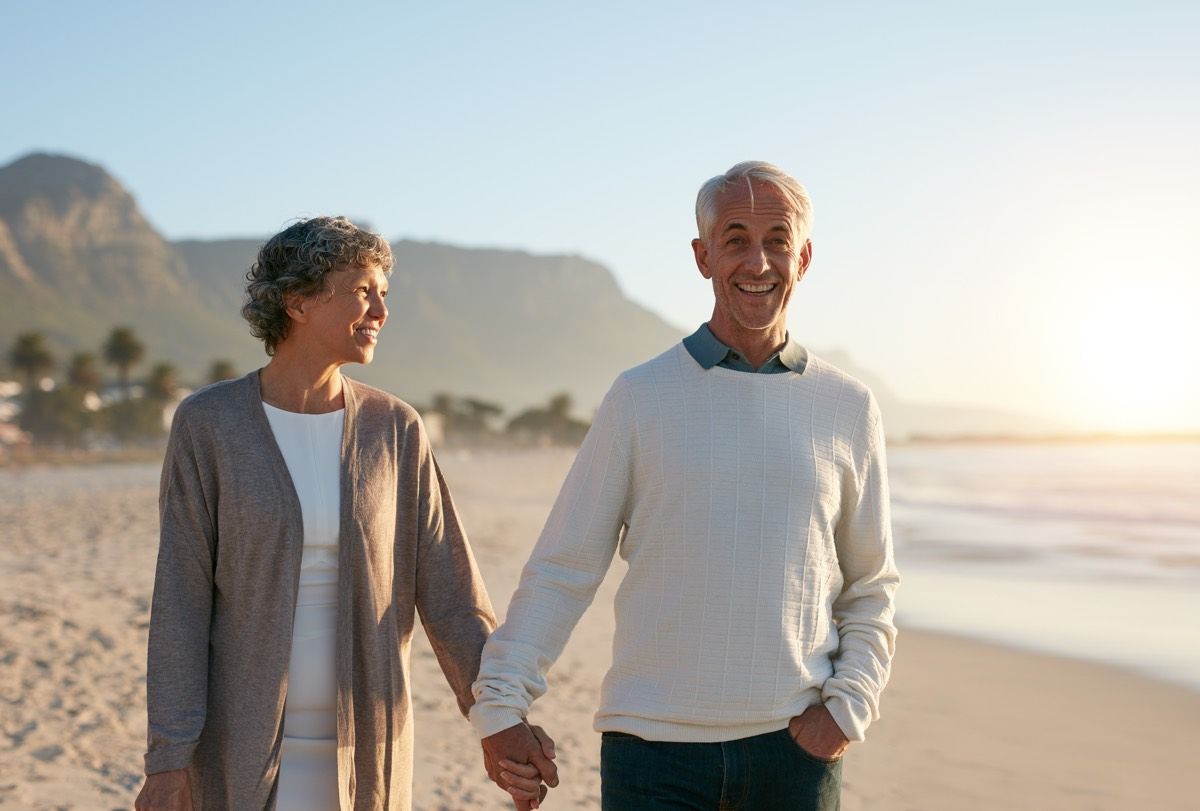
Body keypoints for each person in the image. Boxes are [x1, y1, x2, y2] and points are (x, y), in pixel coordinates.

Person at [470, 162, 900, 810]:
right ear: (703, 257)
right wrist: (501, 702)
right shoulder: (640, 398)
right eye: (735, 239)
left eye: (777, 239)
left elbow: (870, 585)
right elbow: (564, 567)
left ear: (803, 256)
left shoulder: (847, 406)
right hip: (653, 755)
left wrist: (847, 709)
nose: (758, 261)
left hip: (794, 758)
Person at [134, 216, 551, 810]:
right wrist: (169, 759)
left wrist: (500, 716)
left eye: (384, 293)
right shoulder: (210, 425)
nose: (381, 310)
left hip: (365, 747)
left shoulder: (395, 428)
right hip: (243, 748)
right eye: (363, 290)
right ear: (298, 300)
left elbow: (452, 591)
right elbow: (180, 599)